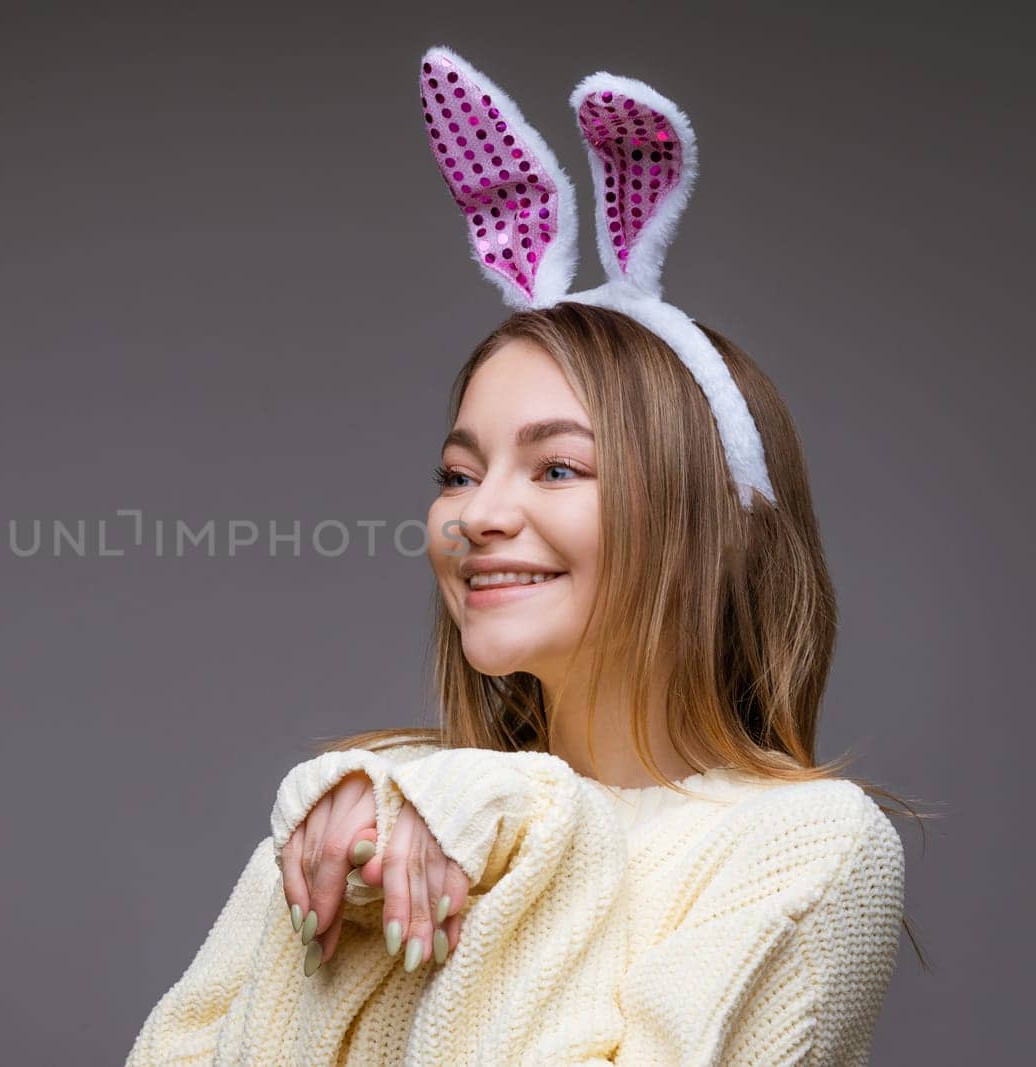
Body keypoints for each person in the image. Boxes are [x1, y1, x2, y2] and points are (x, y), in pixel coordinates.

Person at [125, 47, 924, 1066]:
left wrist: (532, 819)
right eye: (458, 474)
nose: (476, 515)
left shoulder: (807, 849)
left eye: (556, 469)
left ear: (709, 522)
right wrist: (389, 814)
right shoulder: (375, 807)